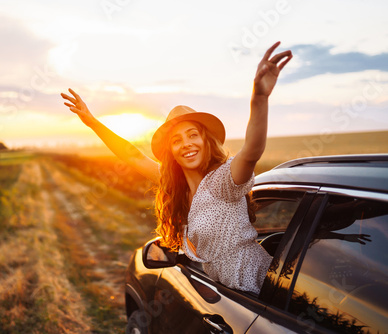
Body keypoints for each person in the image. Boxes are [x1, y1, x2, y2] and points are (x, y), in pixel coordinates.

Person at [61, 41, 293, 294]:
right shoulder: (176, 184)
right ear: (170, 150)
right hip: (231, 300)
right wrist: (93, 122)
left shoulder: (223, 180)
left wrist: (259, 98)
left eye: (193, 135)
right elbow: (131, 155)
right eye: (177, 139)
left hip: (262, 291)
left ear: (205, 140)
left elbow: (251, 152)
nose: (186, 144)